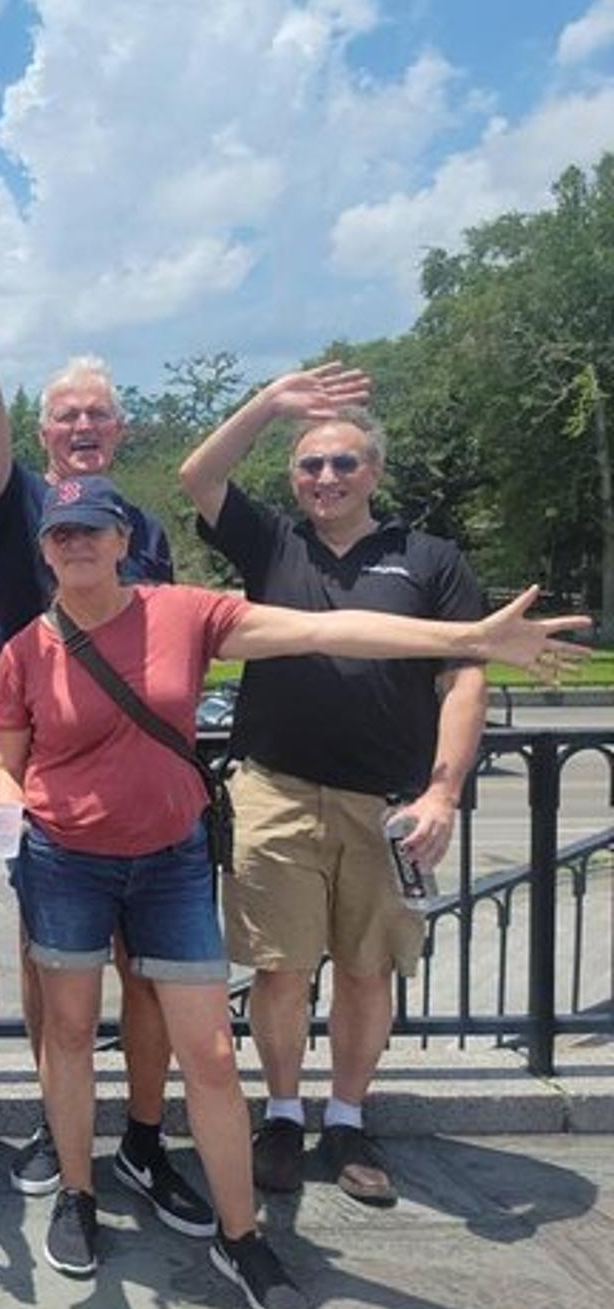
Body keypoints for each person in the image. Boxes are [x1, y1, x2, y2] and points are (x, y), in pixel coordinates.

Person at [0, 473, 586, 1309]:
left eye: (91, 530)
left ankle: (241, 1232)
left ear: (122, 541)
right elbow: (10, 754)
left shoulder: (184, 614)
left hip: (171, 859)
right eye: (59, 532)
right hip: (65, 858)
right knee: (69, 1032)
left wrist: (466, 636)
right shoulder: (26, 651)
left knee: (213, 1058)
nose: (75, 543)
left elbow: (325, 626)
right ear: (45, 549)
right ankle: (77, 1191)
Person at [0, 168, 207, 1228]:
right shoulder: (17, 499)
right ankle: (63, 1133)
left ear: (117, 430)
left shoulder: (141, 525)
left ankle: (139, 1137)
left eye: (96, 415)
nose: (79, 428)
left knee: (147, 978)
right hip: (42, 779)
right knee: (58, 981)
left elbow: (170, 646)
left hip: (142, 789)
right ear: (44, 433)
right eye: (65, 416)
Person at [180, 369, 484, 1208]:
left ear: (374, 472)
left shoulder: (430, 560)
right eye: (311, 466)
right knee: (279, 969)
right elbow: (198, 478)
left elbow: (464, 681)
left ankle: (345, 1117)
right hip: (275, 788)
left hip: (387, 802)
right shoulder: (274, 544)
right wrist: (271, 406)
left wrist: (444, 793)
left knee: (365, 968)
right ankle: (282, 1112)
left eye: (343, 463)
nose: (326, 478)